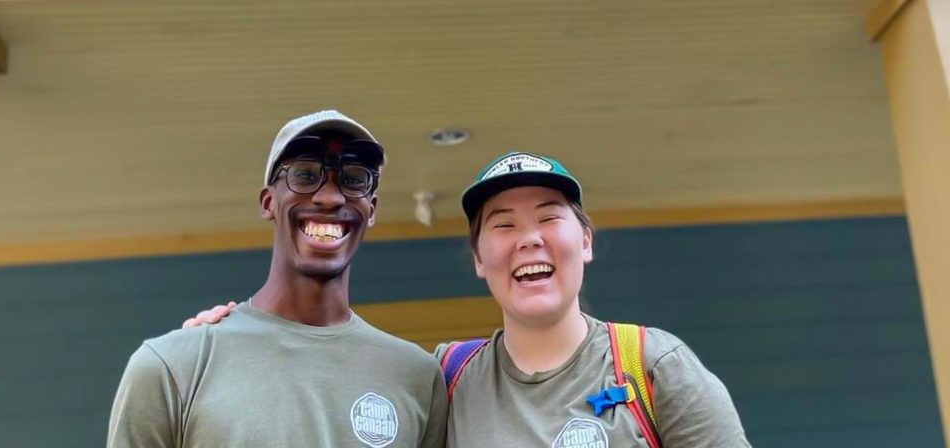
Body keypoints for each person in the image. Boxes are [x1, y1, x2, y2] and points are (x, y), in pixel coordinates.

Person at [187, 151, 751, 447]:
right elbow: (326, 399)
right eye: (502, 225)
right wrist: (239, 335)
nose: (529, 237)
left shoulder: (652, 367)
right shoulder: (443, 380)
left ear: (584, 242)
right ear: (480, 261)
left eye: (549, 218)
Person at [107, 110, 448, 448]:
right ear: (268, 202)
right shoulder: (173, 365)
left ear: (371, 209)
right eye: (305, 174)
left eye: (354, 178)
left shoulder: (416, 376)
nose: (330, 197)